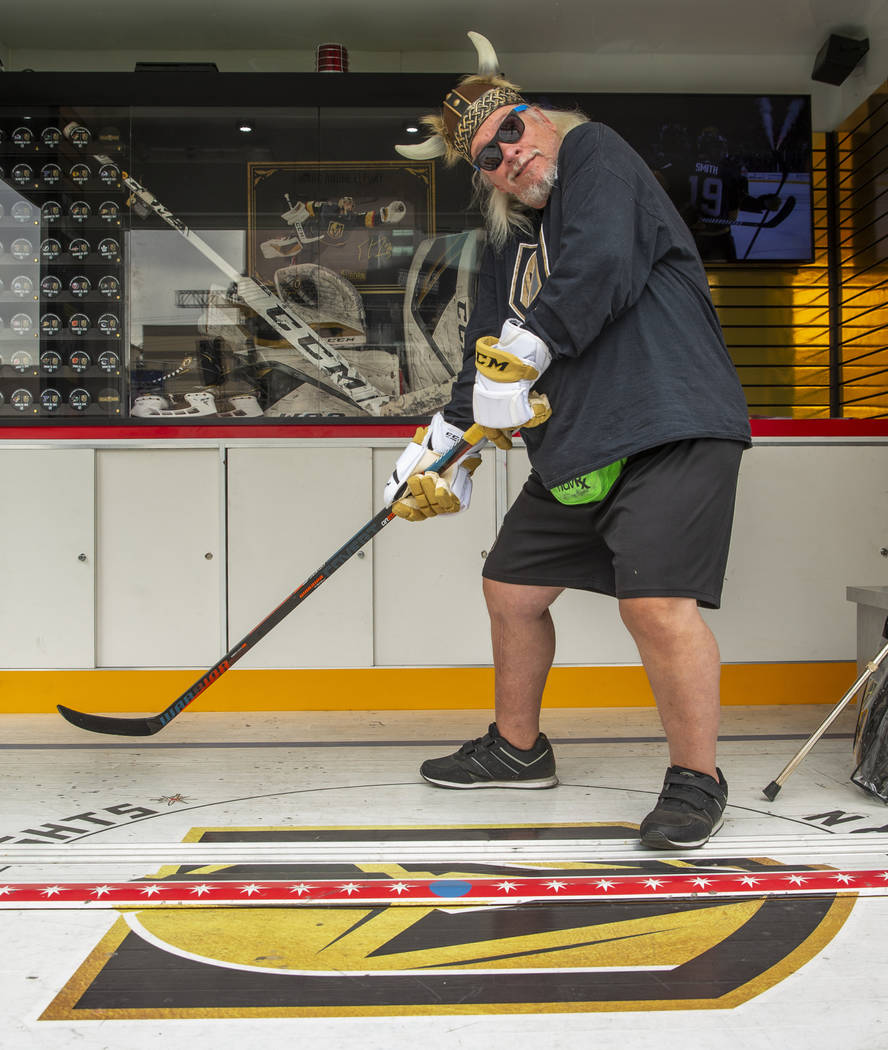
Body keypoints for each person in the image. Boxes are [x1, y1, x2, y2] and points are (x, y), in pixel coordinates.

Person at [385, 32, 752, 849]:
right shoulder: (511, 243)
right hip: (582, 443)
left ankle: (697, 778)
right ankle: (519, 751)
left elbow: (601, 264)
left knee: (656, 606)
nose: (508, 156)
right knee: (511, 591)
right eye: (486, 157)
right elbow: (488, 351)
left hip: (668, 421)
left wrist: (527, 353)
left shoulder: (597, 154)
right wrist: (444, 443)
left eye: (512, 130)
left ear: (539, 117)